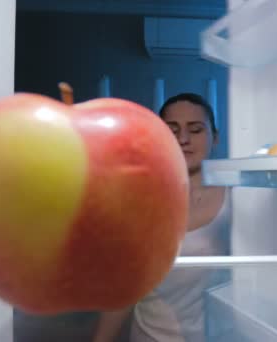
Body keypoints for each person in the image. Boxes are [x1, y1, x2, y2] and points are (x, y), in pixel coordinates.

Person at [93, 93, 231, 342]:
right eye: (172, 130)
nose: (183, 139)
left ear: (215, 138)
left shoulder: (235, 198)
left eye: (196, 129)